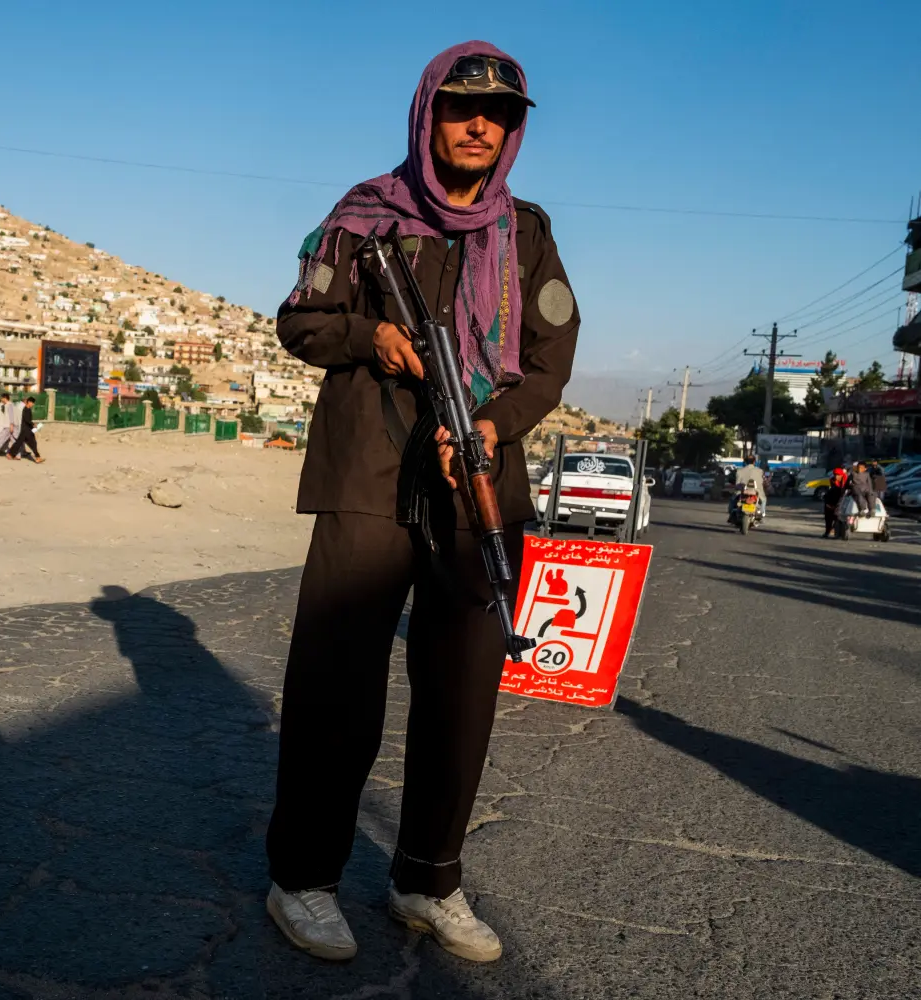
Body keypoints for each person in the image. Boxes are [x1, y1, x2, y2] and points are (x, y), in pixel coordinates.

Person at [265, 42, 578, 965]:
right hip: (366, 475)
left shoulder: (525, 233)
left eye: (500, 114)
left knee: (463, 694)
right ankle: (305, 879)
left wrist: (491, 425)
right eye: (460, 107)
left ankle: (426, 880)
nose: (480, 125)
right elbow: (300, 321)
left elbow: (550, 360)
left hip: (475, 485)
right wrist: (374, 337)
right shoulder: (364, 217)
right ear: (427, 114)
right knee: (335, 687)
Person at [8, 396, 44, 463]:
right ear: (29, 402)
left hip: (25, 430)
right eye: (32, 403)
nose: (33, 404)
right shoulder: (26, 409)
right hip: (26, 430)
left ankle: (10, 454)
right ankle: (37, 457)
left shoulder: (27, 409)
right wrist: (33, 424)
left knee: (19, 443)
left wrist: (32, 424)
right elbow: (27, 420)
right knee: (33, 443)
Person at [822, 467, 848, 538]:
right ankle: (827, 531)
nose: (836, 477)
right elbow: (831, 491)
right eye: (835, 475)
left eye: (838, 475)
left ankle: (837, 531)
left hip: (842, 501)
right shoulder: (832, 480)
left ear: (842, 475)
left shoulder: (846, 481)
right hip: (831, 501)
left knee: (838, 517)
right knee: (828, 518)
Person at [0, 391, 17, 456]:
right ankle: (16, 453)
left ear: (5, 398)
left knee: (1, 438)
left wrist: (11, 425)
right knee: (11, 440)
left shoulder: (10, 405)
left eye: (2, 398)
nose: (1, 399)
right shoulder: (5, 405)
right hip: (7, 425)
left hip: (8, 426)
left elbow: (11, 416)